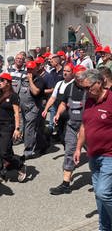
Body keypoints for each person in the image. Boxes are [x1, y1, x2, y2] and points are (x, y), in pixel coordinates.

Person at [74, 69, 112, 231]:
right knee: (98, 195)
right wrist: (77, 149)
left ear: (100, 82)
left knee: (104, 193)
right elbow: (84, 126)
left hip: (110, 155)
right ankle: (104, 227)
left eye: (88, 87)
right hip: (93, 155)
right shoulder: (89, 101)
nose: (86, 91)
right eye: (83, 88)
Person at [49, 65, 87, 195]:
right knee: (69, 152)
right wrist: (58, 113)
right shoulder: (70, 88)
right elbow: (63, 103)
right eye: (78, 77)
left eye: (83, 77)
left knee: (96, 153)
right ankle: (65, 184)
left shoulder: (91, 89)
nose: (80, 80)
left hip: (87, 127)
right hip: (72, 125)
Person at [0, 73, 26, 185]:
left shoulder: (13, 96)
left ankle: (19, 164)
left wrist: (17, 129)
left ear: (8, 83)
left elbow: (16, 113)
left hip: (8, 126)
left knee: (4, 153)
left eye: (1, 81)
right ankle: (0, 175)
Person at [21, 61, 47, 159]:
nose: (29, 71)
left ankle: (28, 151)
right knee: (32, 129)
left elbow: (35, 92)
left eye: (31, 69)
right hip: (23, 107)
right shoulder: (24, 78)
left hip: (33, 107)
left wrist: (30, 80)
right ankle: (43, 144)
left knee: (29, 128)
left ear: (36, 69)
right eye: (28, 69)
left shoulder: (39, 79)